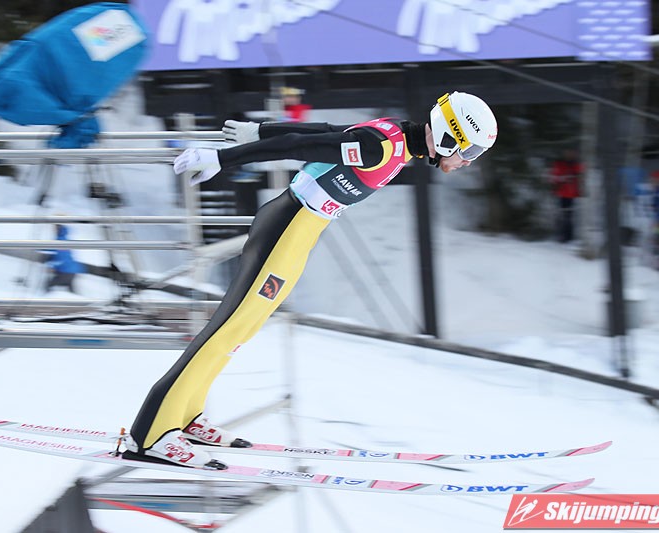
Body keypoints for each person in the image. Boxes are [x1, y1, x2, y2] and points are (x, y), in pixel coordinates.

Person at [124, 91, 498, 469]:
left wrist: (260, 131)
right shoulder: (381, 147)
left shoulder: (395, 138)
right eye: (469, 151)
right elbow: (298, 146)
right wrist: (223, 158)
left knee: (241, 331)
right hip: (286, 228)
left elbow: (327, 131)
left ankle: (186, 415)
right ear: (448, 136)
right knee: (228, 327)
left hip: (299, 234)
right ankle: (150, 433)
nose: (467, 161)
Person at [549, 149, 582, 243]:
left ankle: (568, 236)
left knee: (568, 215)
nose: (569, 155)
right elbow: (555, 176)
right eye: (567, 153)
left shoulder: (575, 164)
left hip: (570, 194)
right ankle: (561, 234)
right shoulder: (559, 164)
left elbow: (580, 174)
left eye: (572, 153)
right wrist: (555, 186)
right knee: (561, 214)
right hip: (561, 193)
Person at [43, 224, 86, 293]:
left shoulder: (58, 241)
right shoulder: (66, 240)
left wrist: (50, 263)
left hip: (65, 272)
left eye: (56, 229)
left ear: (59, 230)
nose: (54, 230)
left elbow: (59, 257)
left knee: (48, 285)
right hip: (73, 271)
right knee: (71, 291)